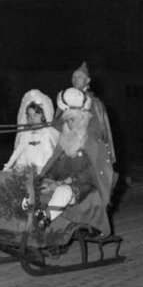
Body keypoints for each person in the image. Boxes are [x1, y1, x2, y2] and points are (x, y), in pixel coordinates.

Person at [36, 87, 112, 235]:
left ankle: (43, 220)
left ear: (83, 119)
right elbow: (56, 165)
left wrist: (64, 182)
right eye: (66, 120)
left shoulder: (92, 142)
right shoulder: (66, 140)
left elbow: (92, 172)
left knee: (63, 191)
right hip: (63, 182)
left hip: (86, 186)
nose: (69, 124)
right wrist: (49, 179)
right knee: (39, 188)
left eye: (72, 119)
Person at [70, 61, 116, 166]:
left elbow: (99, 129)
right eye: (73, 77)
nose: (75, 80)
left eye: (79, 77)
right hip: (68, 148)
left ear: (88, 80)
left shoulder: (93, 102)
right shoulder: (66, 100)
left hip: (88, 150)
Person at [3, 90, 59, 172]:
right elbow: (21, 155)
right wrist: (20, 167)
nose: (32, 118)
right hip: (27, 174)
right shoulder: (25, 133)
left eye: (35, 115)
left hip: (43, 174)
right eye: (29, 115)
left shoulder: (47, 133)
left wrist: (38, 171)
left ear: (43, 116)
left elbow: (49, 157)